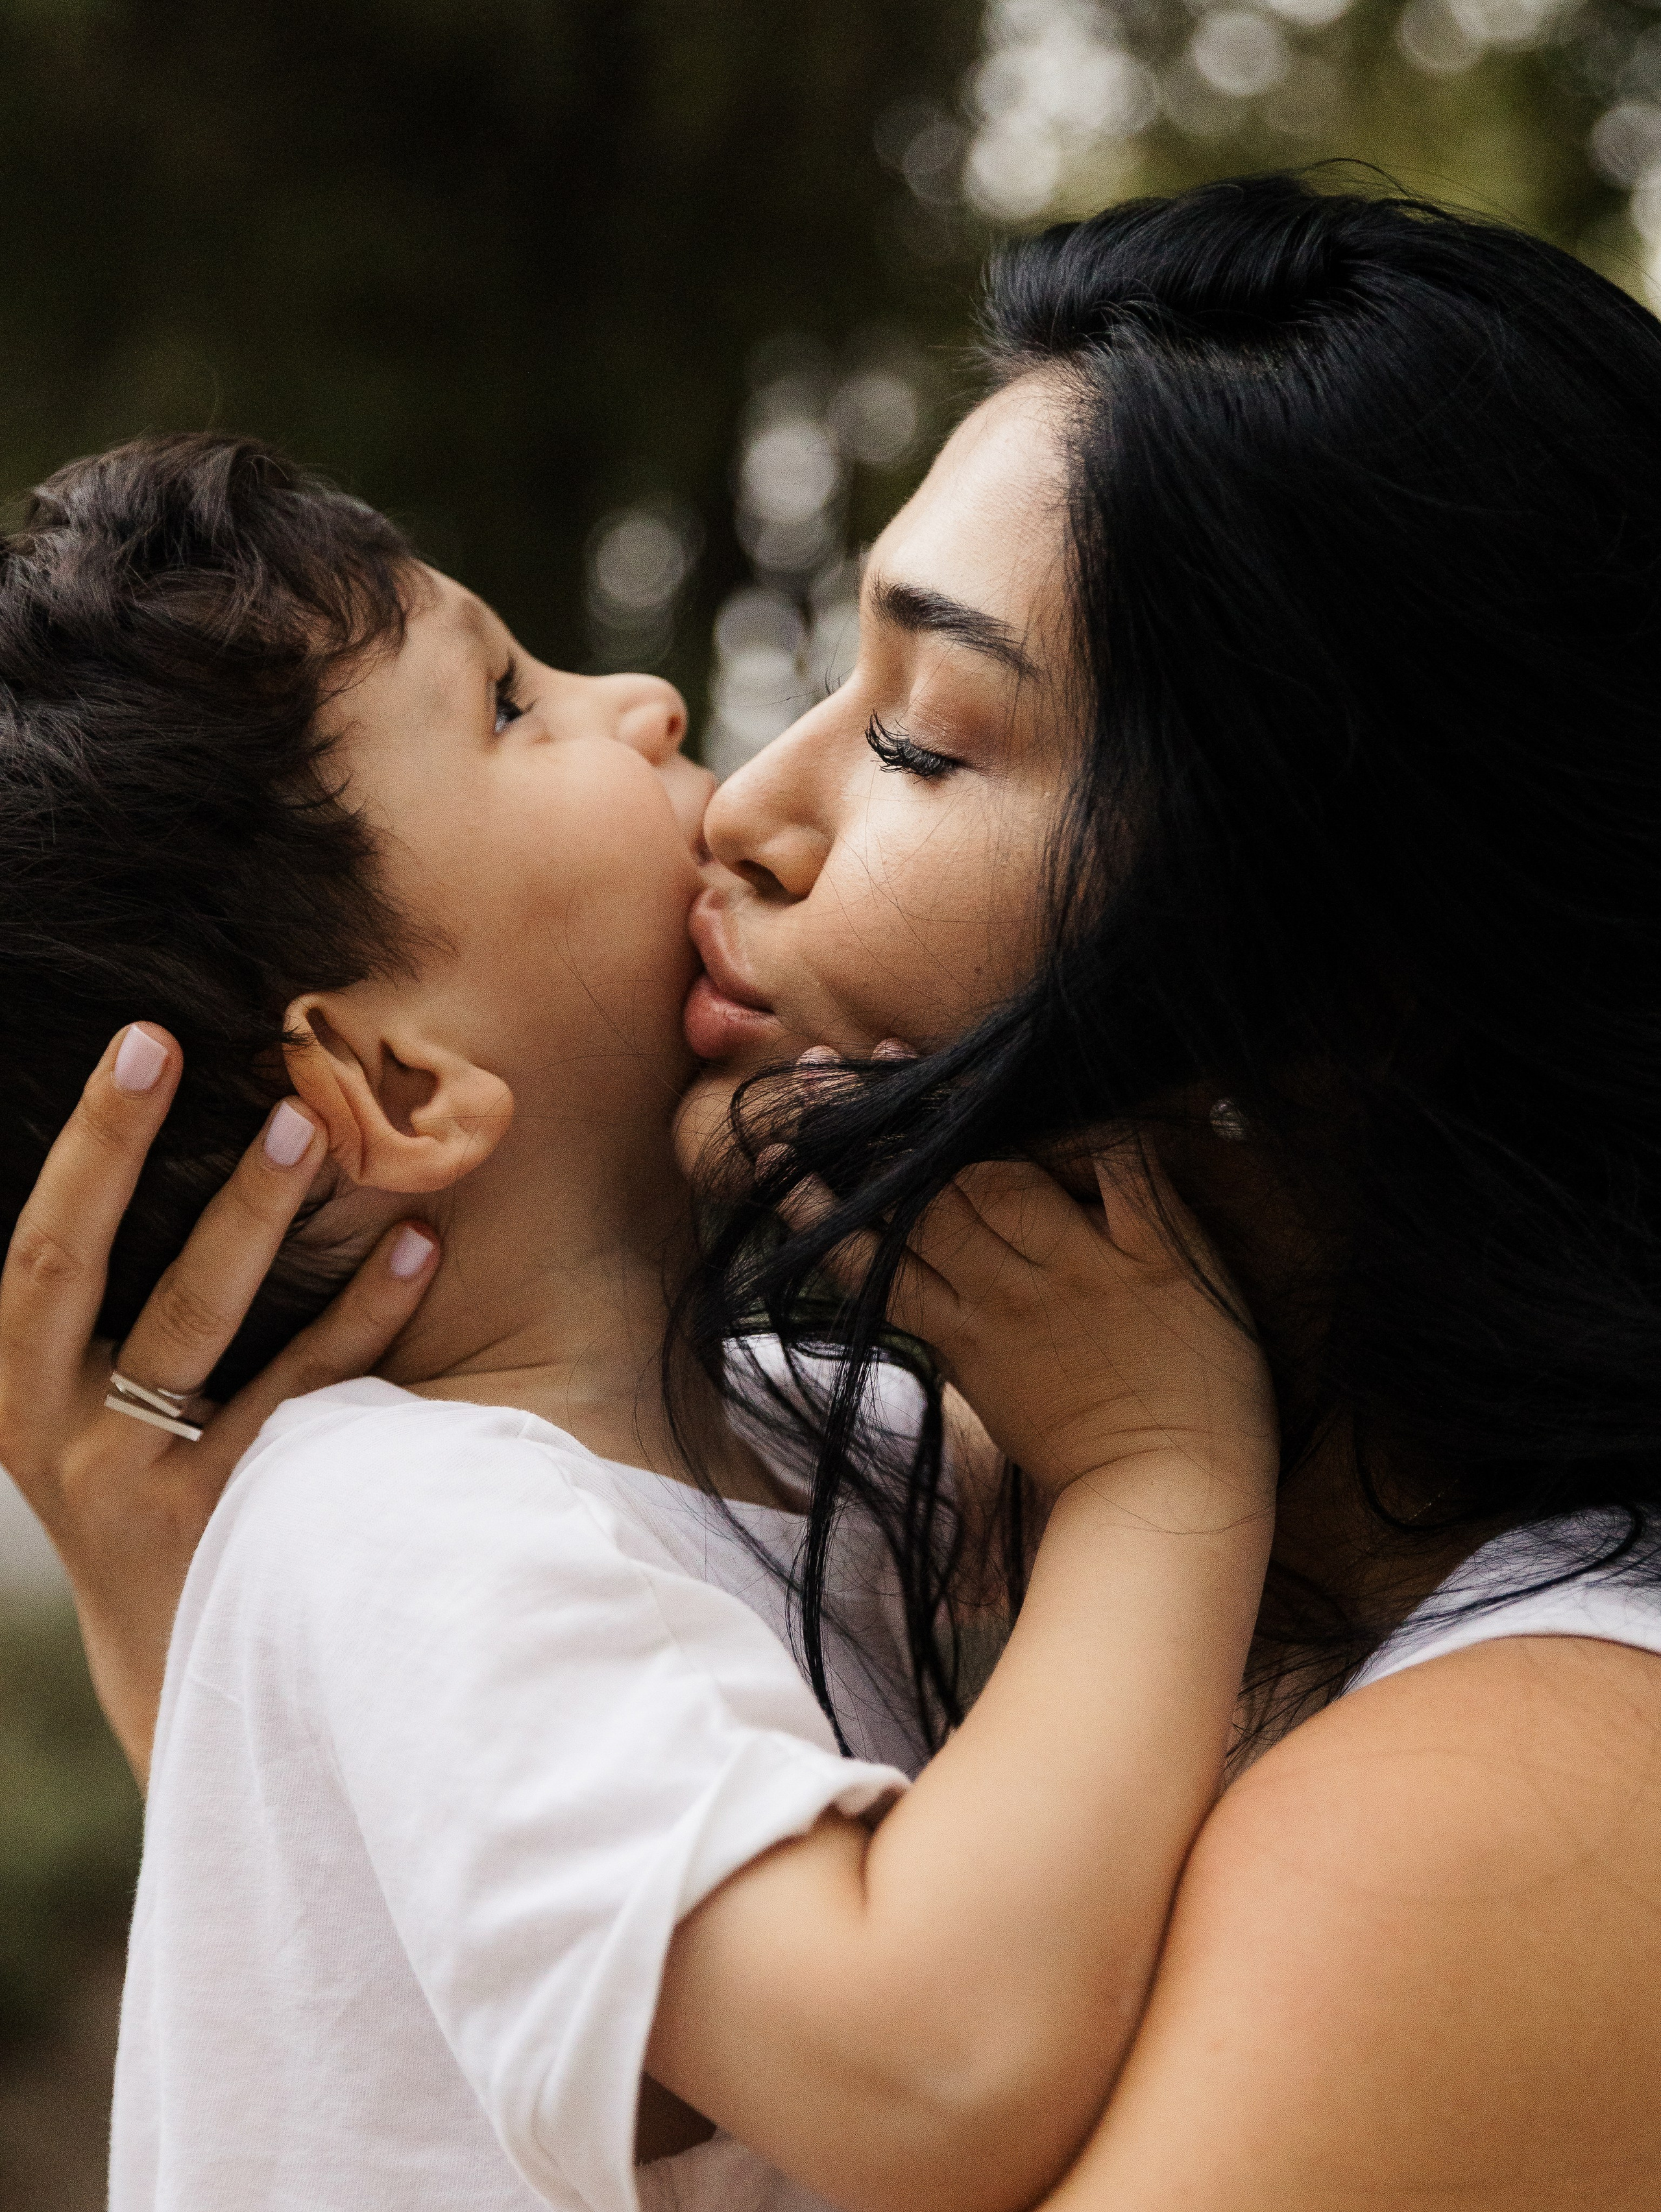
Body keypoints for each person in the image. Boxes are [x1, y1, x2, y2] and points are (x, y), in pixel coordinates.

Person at [12, 169, 1661, 2207]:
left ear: (1329, 959)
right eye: (520, 709)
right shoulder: (446, 1523)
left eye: (931, 739)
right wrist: (217, 1647)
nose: (735, 784)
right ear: (390, 1075)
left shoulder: (1511, 1806)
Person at [0, 430, 1274, 2212]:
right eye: (514, 703)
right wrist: (1160, 1464)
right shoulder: (399, 1534)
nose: (651, 700)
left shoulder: (801, 1436)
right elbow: (929, 2070)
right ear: (394, 1076)